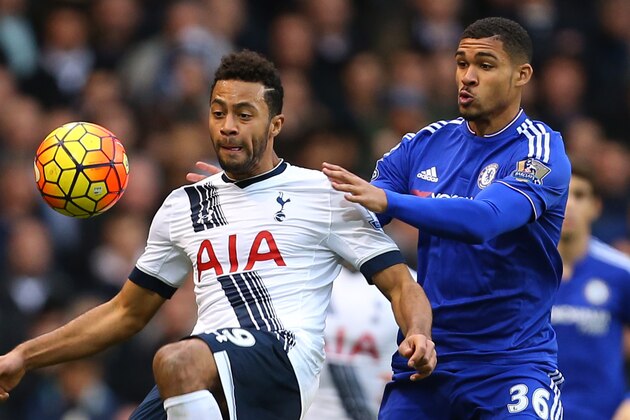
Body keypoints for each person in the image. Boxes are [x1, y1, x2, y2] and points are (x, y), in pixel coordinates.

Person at [0, 50, 436, 419]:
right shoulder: (182, 206)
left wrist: (417, 331)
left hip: (280, 359)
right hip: (206, 367)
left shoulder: (322, 194)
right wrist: (24, 355)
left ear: (276, 124)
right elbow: (124, 314)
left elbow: (400, 282)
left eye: (244, 114)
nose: (228, 125)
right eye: (218, 112)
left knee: (174, 358)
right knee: (178, 365)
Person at [322, 17, 571, 418]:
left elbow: (484, 220)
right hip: (426, 361)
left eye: (485, 65)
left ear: (521, 75)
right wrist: (262, 190)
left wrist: (390, 201)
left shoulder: (541, 151)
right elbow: (349, 218)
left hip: (509, 368)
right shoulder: (424, 143)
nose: (468, 77)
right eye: (461, 63)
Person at [551, 166, 630, 420]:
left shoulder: (620, 272)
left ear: (596, 206)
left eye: (580, 195)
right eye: (561, 194)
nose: (569, 205)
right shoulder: (518, 271)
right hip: (531, 411)